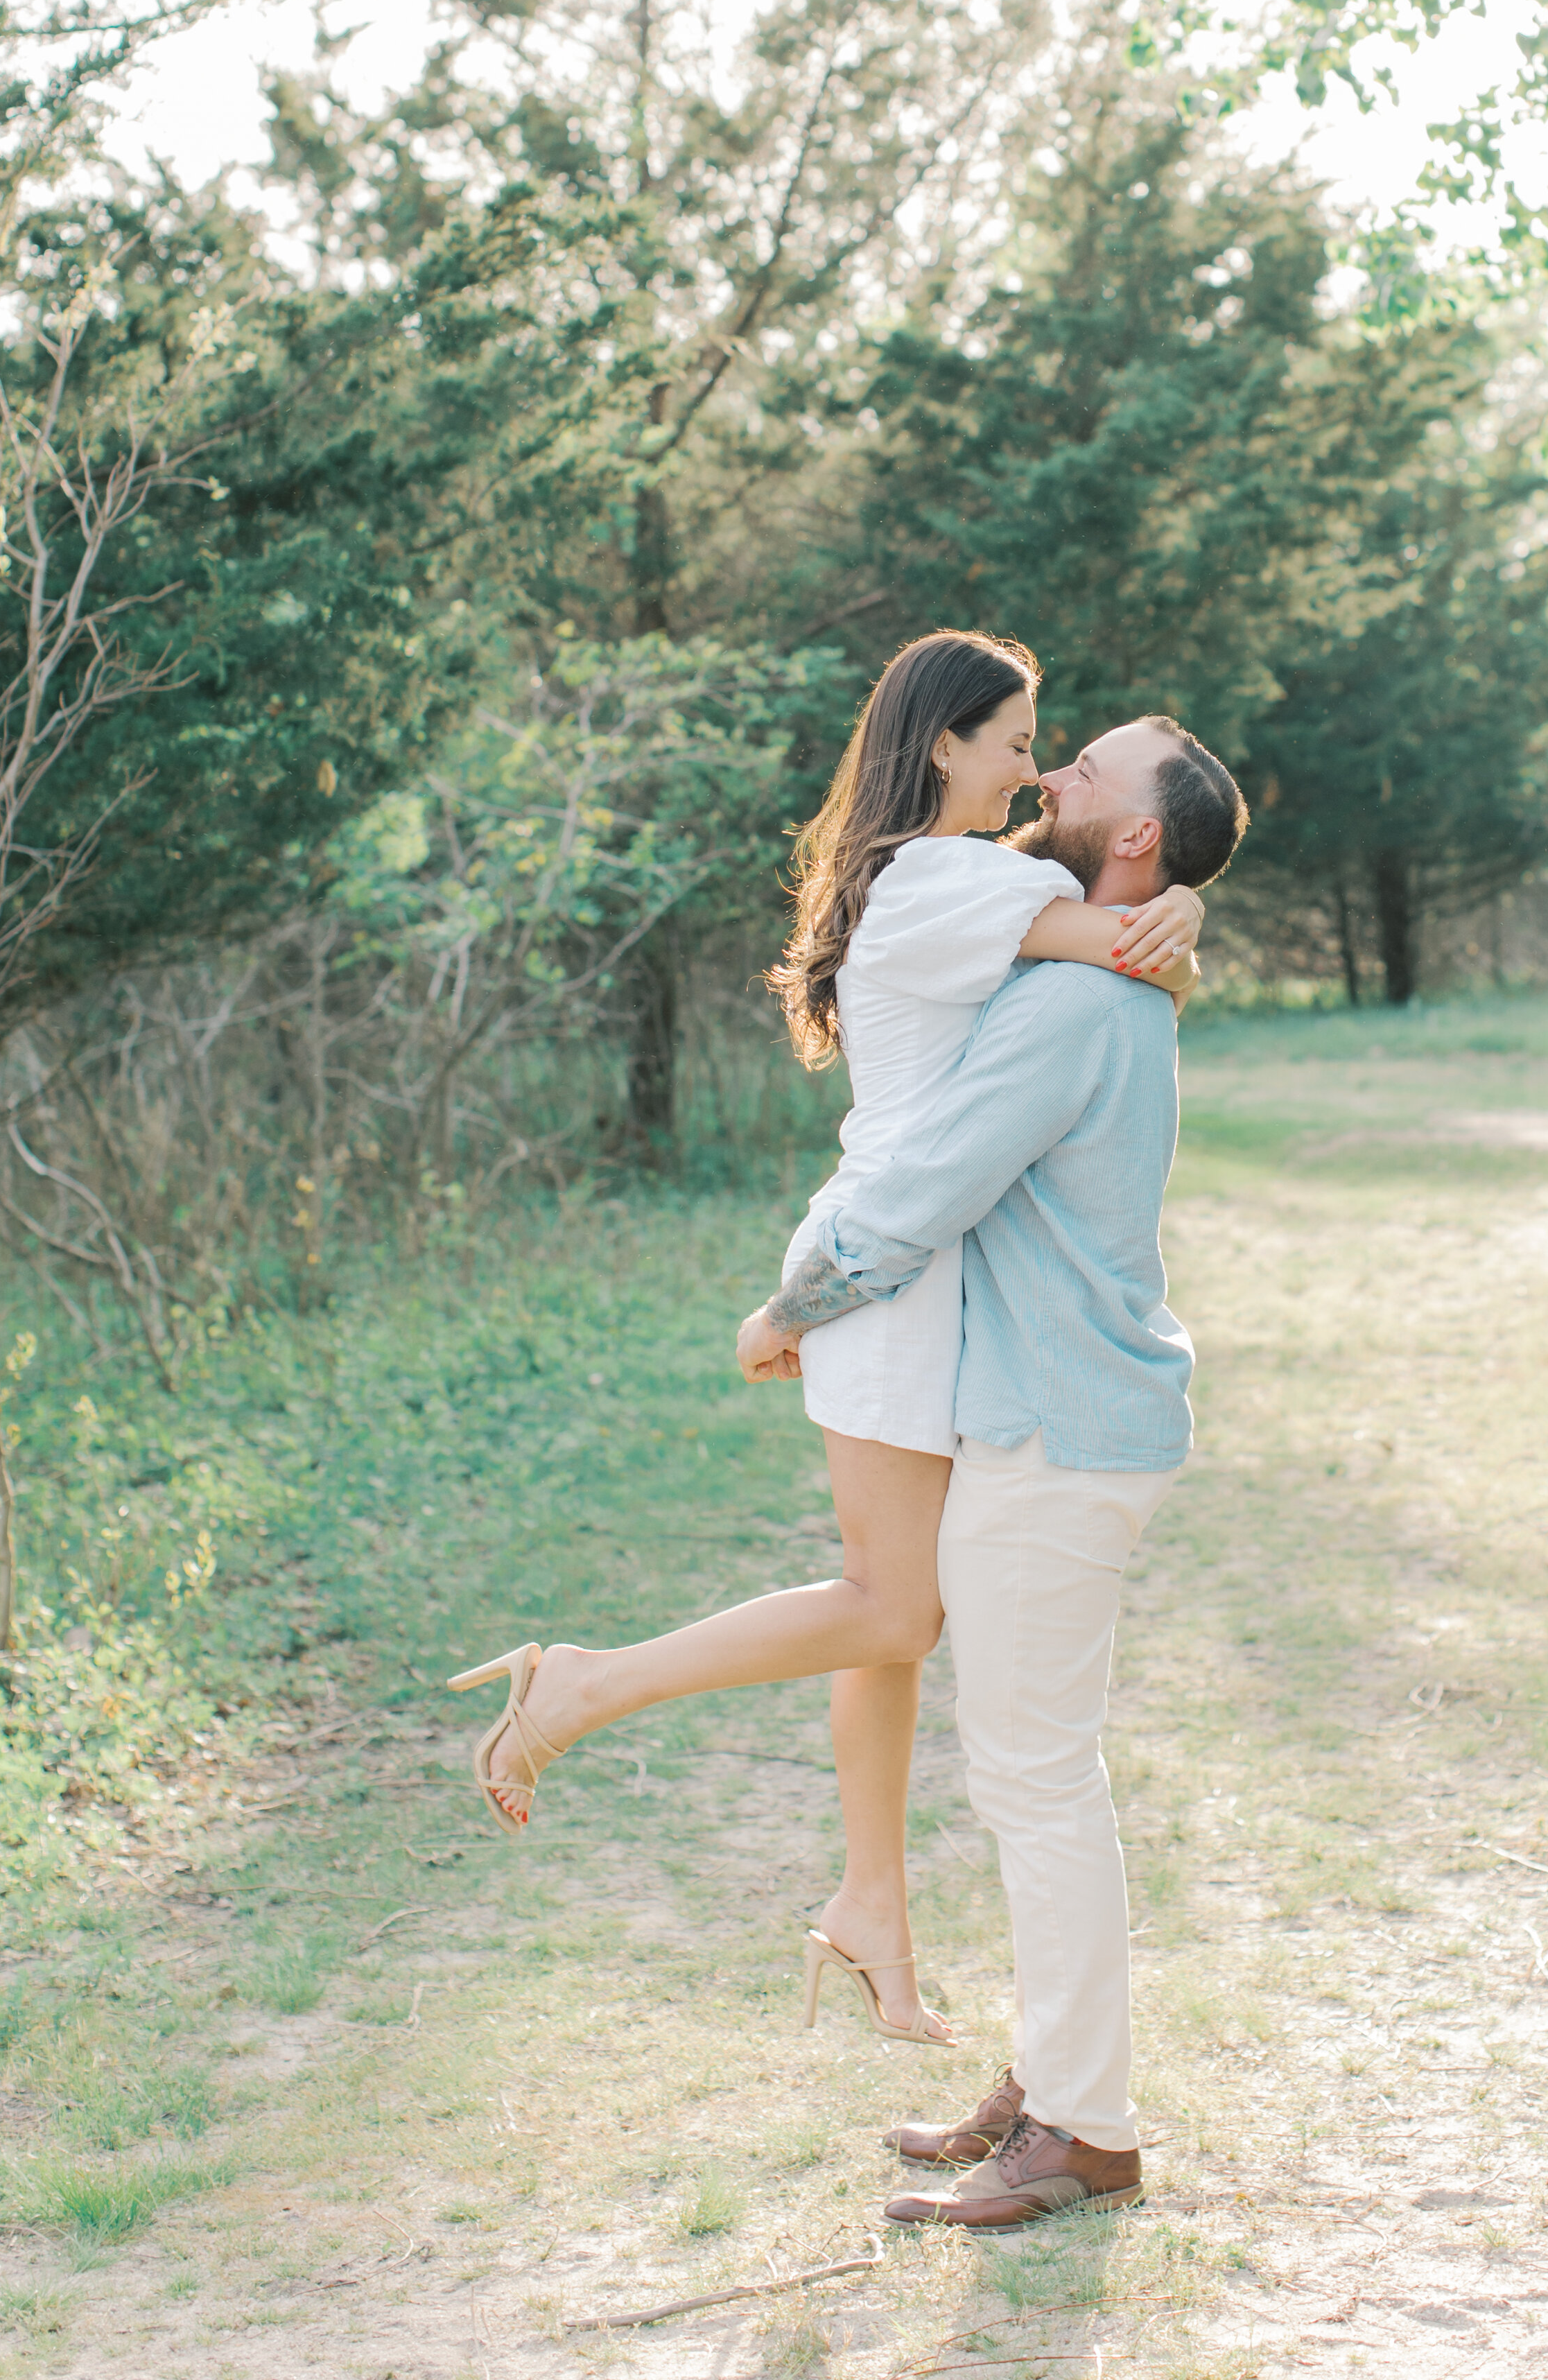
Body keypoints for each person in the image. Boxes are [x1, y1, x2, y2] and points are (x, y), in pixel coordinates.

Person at [445, 629, 1208, 2047]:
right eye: (1018, 739)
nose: (1035, 764)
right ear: (945, 749)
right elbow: (1119, 937)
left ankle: (871, 1911)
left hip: (920, 1267)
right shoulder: (936, 881)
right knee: (892, 1605)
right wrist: (1180, 923)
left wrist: (1177, 922)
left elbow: (1113, 933)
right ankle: (580, 1685)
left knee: (892, 1616)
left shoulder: (971, 875)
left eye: (1044, 745)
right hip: (888, 1269)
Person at [738, 710, 1248, 2227]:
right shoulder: (1104, 964)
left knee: (1037, 1783)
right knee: (1033, 1776)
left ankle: (1085, 2127)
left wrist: (792, 1306)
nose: (1054, 776)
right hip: (1063, 1423)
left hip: (1059, 1433)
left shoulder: (1075, 1005)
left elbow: (934, 1178)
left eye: (1088, 769)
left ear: (1140, 836)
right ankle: (1052, 2080)